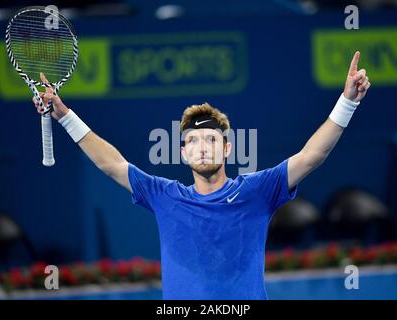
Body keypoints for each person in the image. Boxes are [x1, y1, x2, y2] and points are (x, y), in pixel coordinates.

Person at [33, 51, 370, 299]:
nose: (203, 147)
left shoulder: (257, 191)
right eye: (193, 141)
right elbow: (111, 164)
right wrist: (64, 115)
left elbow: (313, 156)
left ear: (226, 149)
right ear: (183, 153)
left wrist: (347, 102)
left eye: (211, 139)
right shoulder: (165, 195)